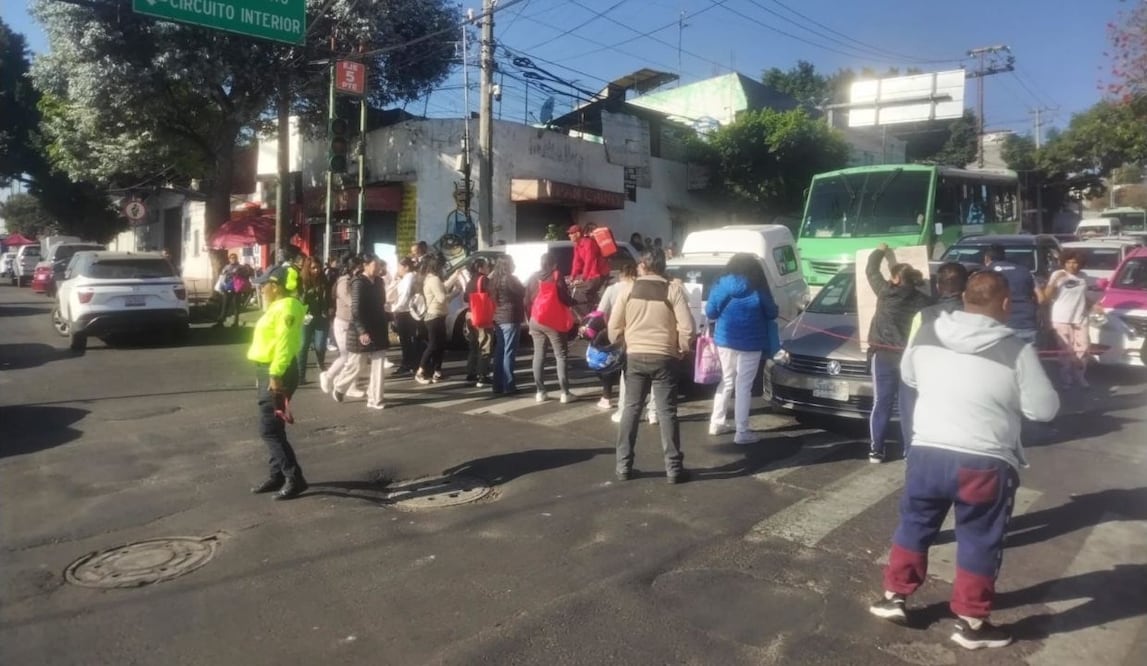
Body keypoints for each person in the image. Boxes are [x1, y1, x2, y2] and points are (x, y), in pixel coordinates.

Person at [869, 271, 1059, 650]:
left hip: (927, 451)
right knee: (978, 539)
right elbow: (1044, 409)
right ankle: (972, 623)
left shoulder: (928, 332)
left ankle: (894, 597)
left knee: (915, 525)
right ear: (1005, 303)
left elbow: (909, 375)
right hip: (983, 460)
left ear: (966, 298)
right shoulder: (1016, 350)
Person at [608, 249, 696, 484]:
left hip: (635, 355)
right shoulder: (672, 290)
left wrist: (622, 342)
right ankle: (673, 469)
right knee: (667, 412)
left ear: (644, 266)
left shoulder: (628, 289)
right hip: (664, 357)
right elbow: (688, 328)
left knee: (631, 409)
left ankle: (623, 466)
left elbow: (614, 327)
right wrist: (682, 348)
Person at [247, 265, 309, 500]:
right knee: (275, 426)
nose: (261, 289)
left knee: (269, 430)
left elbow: (285, 343)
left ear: (276, 286)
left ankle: (294, 477)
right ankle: (278, 475)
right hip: (268, 369)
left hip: (277, 371)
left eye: (264, 285)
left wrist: (275, 375)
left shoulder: (287, 307)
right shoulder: (278, 306)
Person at [866, 243, 931, 464]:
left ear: (894, 279)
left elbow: (871, 270)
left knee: (881, 403)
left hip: (883, 356)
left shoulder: (885, 293)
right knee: (908, 405)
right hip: (909, 358)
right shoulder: (922, 300)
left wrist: (880, 251)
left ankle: (876, 450)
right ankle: (909, 451)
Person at [705, 253, 779, 446]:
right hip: (752, 343)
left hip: (725, 340)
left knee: (727, 381)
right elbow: (772, 313)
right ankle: (742, 431)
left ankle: (716, 423)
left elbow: (710, 312)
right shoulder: (758, 286)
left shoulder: (721, 283)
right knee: (744, 386)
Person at [332, 254, 389, 409]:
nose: (378, 268)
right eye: (375, 265)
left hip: (379, 327)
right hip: (361, 328)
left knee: (378, 364)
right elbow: (356, 310)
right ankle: (340, 386)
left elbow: (382, 302)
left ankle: (375, 398)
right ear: (366, 265)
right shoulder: (358, 282)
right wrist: (362, 331)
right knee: (357, 364)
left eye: (379, 265)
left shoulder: (379, 281)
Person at [526, 252, 578, 403]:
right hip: (553, 321)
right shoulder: (556, 275)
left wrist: (530, 316)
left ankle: (540, 391)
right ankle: (565, 393)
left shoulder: (533, 276)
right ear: (554, 264)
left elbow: (527, 299)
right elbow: (564, 298)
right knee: (560, 355)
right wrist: (574, 302)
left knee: (539, 355)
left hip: (536, 319)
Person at [1044, 249, 1097, 389]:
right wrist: (1055, 280)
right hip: (1061, 318)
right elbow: (1047, 296)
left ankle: (1080, 376)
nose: (1072, 265)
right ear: (1064, 263)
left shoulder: (1084, 277)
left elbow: (1084, 296)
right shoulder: (1057, 274)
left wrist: (1095, 305)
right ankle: (1066, 379)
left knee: (1083, 349)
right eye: (1069, 262)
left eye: (1075, 262)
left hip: (1080, 318)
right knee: (1065, 351)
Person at [320, 255, 364, 399]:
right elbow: (352, 302)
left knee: (352, 356)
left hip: (352, 323)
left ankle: (348, 384)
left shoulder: (353, 280)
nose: (362, 269)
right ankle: (329, 376)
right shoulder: (344, 282)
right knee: (348, 356)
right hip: (344, 323)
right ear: (354, 267)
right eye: (360, 267)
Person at [984, 244, 1042, 344]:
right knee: (1028, 353)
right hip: (1026, 321)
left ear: (987, 258)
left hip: (997, 326)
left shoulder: (984, 274)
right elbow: (1041, 298)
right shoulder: (1025, 271)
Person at [490, 255, 526, 395]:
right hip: (510, 317)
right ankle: (508, 385)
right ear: (508, 265)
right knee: (509, 352)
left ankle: (497, 384)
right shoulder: (510, 279)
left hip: (499, 317)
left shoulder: (494, 280)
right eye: (512, 263)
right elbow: (522, 292)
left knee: (500, 351)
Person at [910, 262, 969, 341]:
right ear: (967, 285)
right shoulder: (977, 314)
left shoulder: (922, 315)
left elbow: (912, 345)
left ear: (937, 286)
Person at [296, 256, 330, 384]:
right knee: (303, 346)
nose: (317, 270)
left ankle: (321, 363)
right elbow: (300, 300)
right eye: (313, 268)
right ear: (308, 269)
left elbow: (329, 298)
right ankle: (301, 375)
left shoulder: (324, 280)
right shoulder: (301, 281)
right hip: (307, 316)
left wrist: (329, 309)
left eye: (318, 267)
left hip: (321, 316)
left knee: (320, 346)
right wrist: (308, 292)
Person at [416, 255, 449, 384]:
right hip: (434, 316)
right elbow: (441, 298)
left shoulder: (429, 279)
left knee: (440, 345)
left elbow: (442, 291)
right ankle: (420, 371)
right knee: (434, 345)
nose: (444, 269)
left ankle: (437, 372)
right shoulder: (434, 279)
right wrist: (452, 294)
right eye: (443, 266)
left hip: (437, 316)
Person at [463, 257, 493, 386]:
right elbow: (492, 294)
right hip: (481, 316)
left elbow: (465, 298)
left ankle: (471, 372)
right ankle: (483, 375)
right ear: (480, 268)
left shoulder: (470, 281)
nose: (488, 268)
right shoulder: (484, 280)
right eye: (486, 266)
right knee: (485, 344)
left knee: (474, 345)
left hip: (470, 314)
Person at [391, 257, 421, 376]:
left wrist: (396, 308)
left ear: (406, 267)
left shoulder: (409, 278)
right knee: (407, 340)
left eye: (399, 267)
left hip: (405, 312)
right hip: (404, 311)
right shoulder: (406, 278)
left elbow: (405, 295)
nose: (398, 269)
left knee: (406, 340)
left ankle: (408, 364)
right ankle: (411, 363)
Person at [568, 223, 609, 304]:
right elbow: (576, 262)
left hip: (599, 272)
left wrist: (583, 277)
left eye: (571, 233)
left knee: (587, 293)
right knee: (588, 293)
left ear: (578, 234)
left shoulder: (588, 243)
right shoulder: (577, 245)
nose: (569, 235)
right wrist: (572, 276)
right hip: (591, 274)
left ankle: (598, 309)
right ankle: (596, 306)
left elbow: (589, 261)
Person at [215, 254, 243, 328]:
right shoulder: (227, 267)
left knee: (236, 306)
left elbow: (245, 274)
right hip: (227, 288)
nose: (233, 259)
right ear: (229, 259)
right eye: (231, 258)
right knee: (225, 306)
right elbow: (222, 275)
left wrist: (237, 273)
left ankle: (236, 323)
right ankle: (221, 322)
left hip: (236, 289)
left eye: (234, 258)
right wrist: (224, 273)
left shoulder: (240, 267)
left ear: (237, 258)